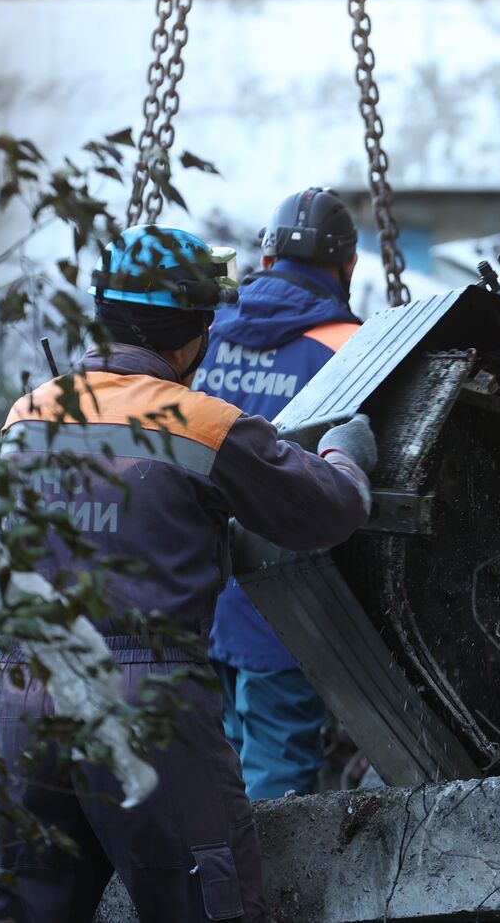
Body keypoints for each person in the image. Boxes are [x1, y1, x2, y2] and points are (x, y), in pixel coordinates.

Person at [0, 224, 377, 922]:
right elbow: (327, 512)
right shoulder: (201, 424)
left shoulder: (27, 413)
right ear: (195, 332)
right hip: (147, 703)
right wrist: (347, 453)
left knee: (10, 907)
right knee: (204, 905)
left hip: (23, 697)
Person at [198, 187, 364, 800]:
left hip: (199, 588)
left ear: (266, 263)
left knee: (216, 760)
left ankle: (210, 888)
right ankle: (260, 895)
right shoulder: (354, 346)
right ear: (348, 266)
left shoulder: (202, 333)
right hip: (291, 598)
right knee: (277, 775)